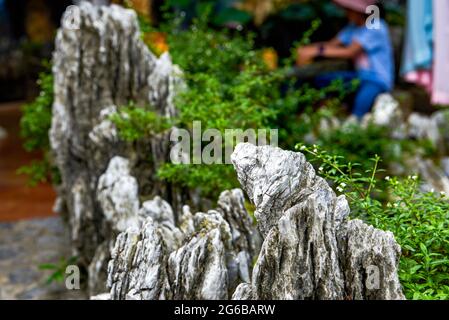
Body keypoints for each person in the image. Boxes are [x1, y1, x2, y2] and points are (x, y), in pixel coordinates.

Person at [297, 0, 394, 119]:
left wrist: (316, 51)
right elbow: (332, 45)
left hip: (376, 79)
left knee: (358, 111)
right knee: (321, 81)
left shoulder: (375, 25)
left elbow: (350, 52)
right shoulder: (353, 27)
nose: (346, 13)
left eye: (349, 10)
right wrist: (307, 49)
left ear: (359, 11)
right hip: (359, 76)